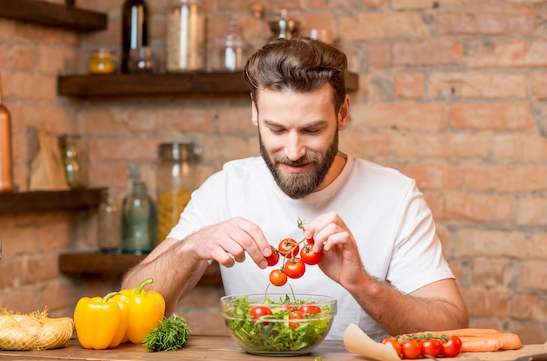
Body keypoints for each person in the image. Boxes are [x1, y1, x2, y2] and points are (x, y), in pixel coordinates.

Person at [122, 37, 468, 341]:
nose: (293, 150)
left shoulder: (395, 197)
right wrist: (190, 248)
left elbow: (453, 325)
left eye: (312, 130)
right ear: (255, 113)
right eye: (276, 129)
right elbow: (128, 301)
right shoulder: (225, 188)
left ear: (343, 114)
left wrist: (364, 284)